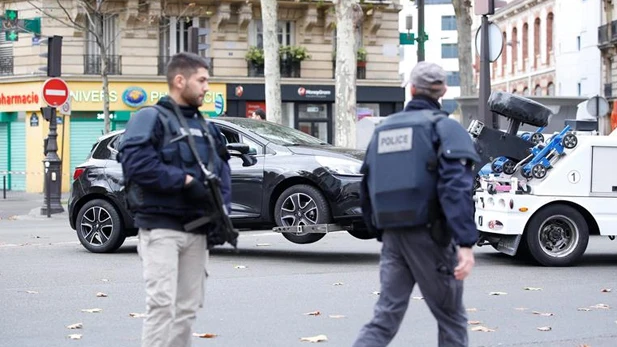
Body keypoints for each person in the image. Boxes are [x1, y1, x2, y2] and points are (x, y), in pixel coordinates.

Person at [352, 61, 481, 347]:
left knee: (384, 318)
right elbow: (456, 187)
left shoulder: (383, 131)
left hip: (393, 238)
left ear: (411, 89)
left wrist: (381, 231)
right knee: (452, 319)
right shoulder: (445, 128)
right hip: (430, 237)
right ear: (443, 91)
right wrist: (465, 243)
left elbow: (366, 185)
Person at [117, 52, 232, 347]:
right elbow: (137, 165)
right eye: (202, 80)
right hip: (161, 228)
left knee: (187, 309)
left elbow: (223, 170)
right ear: (180, 80)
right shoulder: (150, 118)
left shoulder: (208, 127)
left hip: (198, 230)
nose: (207, 87)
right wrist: (185, 181)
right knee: (162, 306)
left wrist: (223, 213)